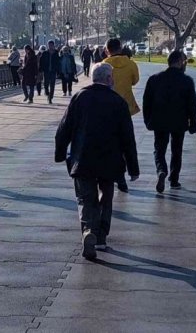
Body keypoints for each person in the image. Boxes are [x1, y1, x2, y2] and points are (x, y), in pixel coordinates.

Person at [55, 63, 139, 260]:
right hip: (110, 160)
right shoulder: (118, 102)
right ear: (109, 79)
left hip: (82, 158)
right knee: (105, 197)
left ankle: (88, 230)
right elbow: (128, 138)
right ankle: (101, 237)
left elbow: (64, 129)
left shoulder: (79, 98)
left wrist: (60, 154)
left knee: (85, 199)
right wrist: (133, 168)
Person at [143, 51, 196, 193]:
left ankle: (161, 170)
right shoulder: (187, 81)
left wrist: (147, 120)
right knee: (177, 150)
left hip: (159, 120)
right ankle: (174, 179)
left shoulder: (154, 79)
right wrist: (193, 123)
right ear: (179, 62)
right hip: (179, 121)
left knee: (159, 149)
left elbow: (146, 102)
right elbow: (192, 105)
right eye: (184, 61)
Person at [103, 38, 141, 193]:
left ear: (107, 50)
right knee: (125, 142)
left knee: (110, 142)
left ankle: (112, 174)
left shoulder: (104, 64)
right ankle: (123, 175)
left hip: (107, 108)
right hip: (125, 107)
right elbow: (135, 80)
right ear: (120, 48)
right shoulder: (131, 64)